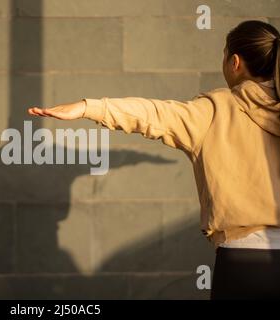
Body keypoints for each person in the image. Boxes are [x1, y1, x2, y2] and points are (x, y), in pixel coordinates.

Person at [28, 20, 280, 299]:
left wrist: (89, 107)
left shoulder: (215, 111)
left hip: (243, 265)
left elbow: (151, 114)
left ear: (234, 62)